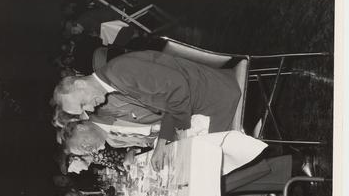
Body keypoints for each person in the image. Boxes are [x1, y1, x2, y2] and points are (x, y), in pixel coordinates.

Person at [52, 50, 241, 170]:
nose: (91, 109)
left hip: (215, 96)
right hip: (200, 100)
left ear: (79, 85)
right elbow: (169, 103)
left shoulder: (120, 73)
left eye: (83, 104)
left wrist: (169, 138)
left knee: (210, 166)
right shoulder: (115, 81)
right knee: (193, 166)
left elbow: (179, 89)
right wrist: (164, 141)